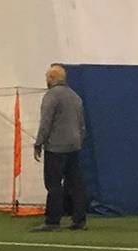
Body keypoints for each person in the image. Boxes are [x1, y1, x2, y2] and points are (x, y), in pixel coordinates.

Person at [31, 63, 88, 232]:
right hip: (74, 145)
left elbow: (46, 122)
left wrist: (39, 143)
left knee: (54, 185)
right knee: (76, 184)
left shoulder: (51, 96)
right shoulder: (75, 96)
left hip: (56, 147)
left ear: (51, 79)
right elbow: (82, 124)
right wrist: (79, 141)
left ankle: (52, 221)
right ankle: (79, 220)